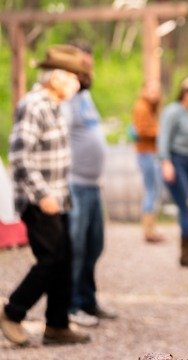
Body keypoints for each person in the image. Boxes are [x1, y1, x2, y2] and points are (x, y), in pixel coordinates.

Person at [1, 45, 91, 346]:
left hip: (58, 196)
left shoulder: (54, 105)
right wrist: (42, 195)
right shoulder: (34, 105)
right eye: (73, 77)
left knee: (64, 258)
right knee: (51, 258)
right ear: (56, 77)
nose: (77, 83)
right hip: (38, 199)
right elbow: (20, 156)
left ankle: (57, 324)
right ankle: (12, 312)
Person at [63, 43, 117, 328]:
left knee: (94, 246)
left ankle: (88, 299)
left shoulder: (85, 97)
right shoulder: (66, 100)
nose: (89, 70)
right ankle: (71, 306)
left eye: (90, 65)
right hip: (75, 184)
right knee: (77, 247)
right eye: (84, 64)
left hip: (93, 185)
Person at [158, 74, 188, 268]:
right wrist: (165, 162)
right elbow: (164, 137)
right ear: (183, 92)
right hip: (176, 159)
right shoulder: (174, 111)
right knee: (186, 205)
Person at [132, 80, 165, 244]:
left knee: (153, 190)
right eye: (151, 90)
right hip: (146, 152)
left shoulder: (151, 107)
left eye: (156, 91)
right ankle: (148, 230)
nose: (155, 94)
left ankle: (151, 227)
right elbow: (141, 130)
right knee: (151, 190)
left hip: (150, 152)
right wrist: (160, 131)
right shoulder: (141, 107)